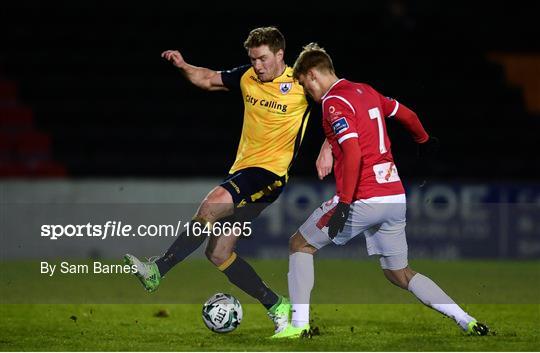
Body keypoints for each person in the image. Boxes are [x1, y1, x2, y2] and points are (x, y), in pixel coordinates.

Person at [271, 43, 489, 338]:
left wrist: (345, 204)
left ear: (312, 75)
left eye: (304, 85)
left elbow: (352, 153)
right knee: (400, 273)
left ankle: (297, 326)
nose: (307, 92)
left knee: (300, 244)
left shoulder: (332, 102)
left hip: (363, 197)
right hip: (394, 196)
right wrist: (424, 141)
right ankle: (466, 320)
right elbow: (408, 116)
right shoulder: (366, 91)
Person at [124, 27, 313, 334]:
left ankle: (157, 270)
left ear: (280, 54)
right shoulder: (248, 77)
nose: (258, 66)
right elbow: (209, 78)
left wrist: (331, 146)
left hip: (269, 176)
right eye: (253, 59)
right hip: (243, 172)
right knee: (218, 254)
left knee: (211, 204)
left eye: (263, 59)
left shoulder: (300, 83)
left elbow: (334, 103)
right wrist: (184, 67)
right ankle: (277, 306)